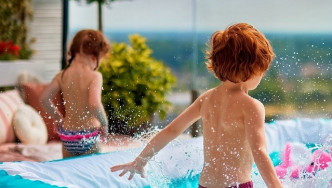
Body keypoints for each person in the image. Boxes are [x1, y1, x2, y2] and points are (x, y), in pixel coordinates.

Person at [110, 23, 283, 188]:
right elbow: (259, 152)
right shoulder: (252, 106)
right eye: (262, 70)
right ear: (253, 68)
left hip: (205, 185)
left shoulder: (207, 99)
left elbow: (171, 130)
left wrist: (140, 160)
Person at [41, 29, 110, 158]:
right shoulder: (94, 76)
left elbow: (44, 99)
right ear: (95, 56)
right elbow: (95, 105)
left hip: (68, 136)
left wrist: (58, 118)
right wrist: (105, 124)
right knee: (92, 171)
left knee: (69, 172)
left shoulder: (62, 75)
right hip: (89, 134)